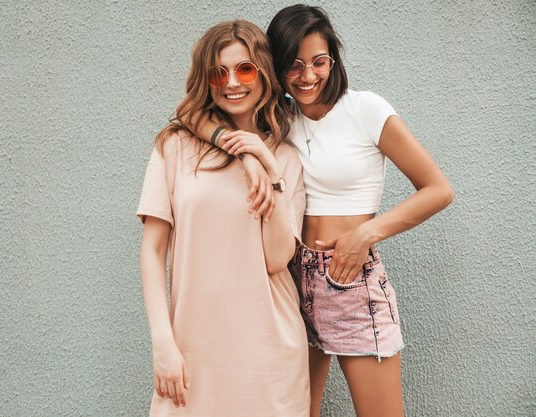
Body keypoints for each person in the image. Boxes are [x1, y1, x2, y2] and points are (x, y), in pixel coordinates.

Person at [183, 5, 454, 417]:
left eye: (319, 62)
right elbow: (191, 113)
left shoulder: (366, 109)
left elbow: (438, 190)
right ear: (276, 68)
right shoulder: (281, 117)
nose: (308, 76)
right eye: (294, 66)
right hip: (291, 280)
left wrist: (367, 234)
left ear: (334, 59)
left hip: (347, 280)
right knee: (295, 411)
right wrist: (245, 151)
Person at [137, 20, 310, 417]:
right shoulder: (174, 147)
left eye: (245, 69)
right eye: (219, 72)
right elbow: (151, 250)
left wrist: (268, 165)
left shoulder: (286, 158)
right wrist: (162, 342)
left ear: (264, 74)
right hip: (191, 353)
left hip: (270, 355)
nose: (232, 82)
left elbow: (277, 259)